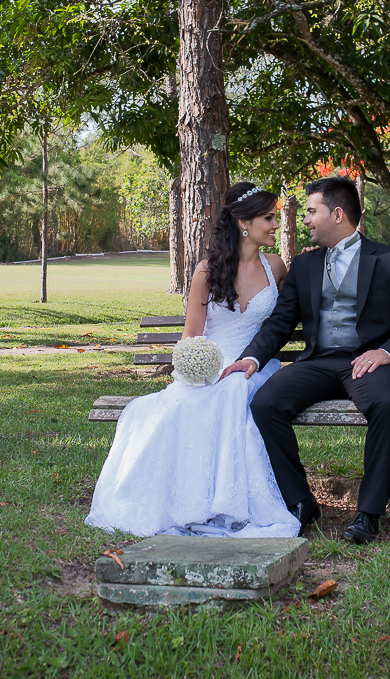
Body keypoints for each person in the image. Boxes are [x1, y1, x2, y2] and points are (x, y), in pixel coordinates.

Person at [223, 176, 390, 544]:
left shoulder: (389, 259)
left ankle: (368, 514)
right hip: (319, 363)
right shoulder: (304, 267)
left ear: (337, 214)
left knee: (388, 404)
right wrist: (252, 359)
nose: (304, 219)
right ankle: (301, 502)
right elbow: (279, 323)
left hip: (370, 363)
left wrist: (386, 352)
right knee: (265, 403)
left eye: (311, 211)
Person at [86, 183, 300, 538]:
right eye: (269, 217)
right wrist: (200, 368)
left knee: (235, 388)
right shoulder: (207, 271)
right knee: (186, 402)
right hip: (212, 366)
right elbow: (191, 336)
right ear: (244, 223)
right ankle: (192, 500)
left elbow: (283, 322)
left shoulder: (276, 267)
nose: (276, 224)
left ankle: (229, 503)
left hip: (255, 367)